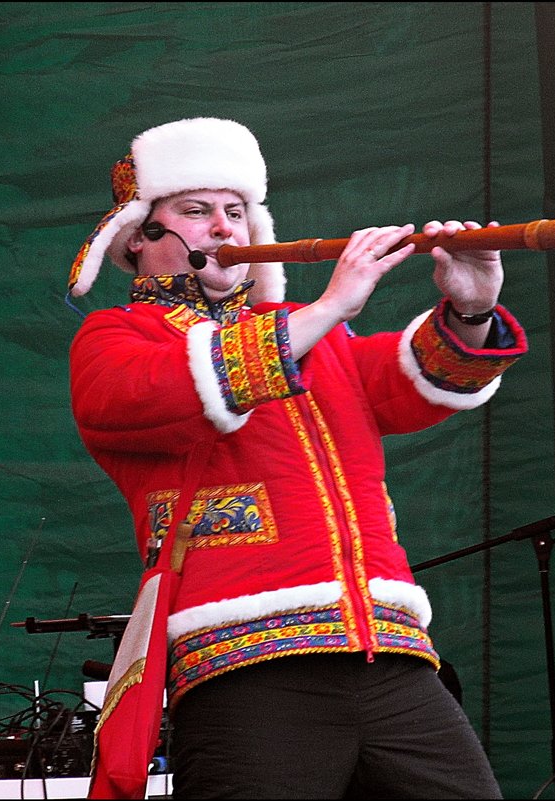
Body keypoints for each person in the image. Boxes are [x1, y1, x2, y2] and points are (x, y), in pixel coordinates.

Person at [66, 117, 527, 799]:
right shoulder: (112, 339)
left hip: (389, 651)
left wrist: (470, 309)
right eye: (196, 211)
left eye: (236, 211)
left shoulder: (318, 337)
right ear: (138, 236)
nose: (224, 228)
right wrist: (334, 302)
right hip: (245, 665)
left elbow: (423, 381)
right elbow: (177, 386)